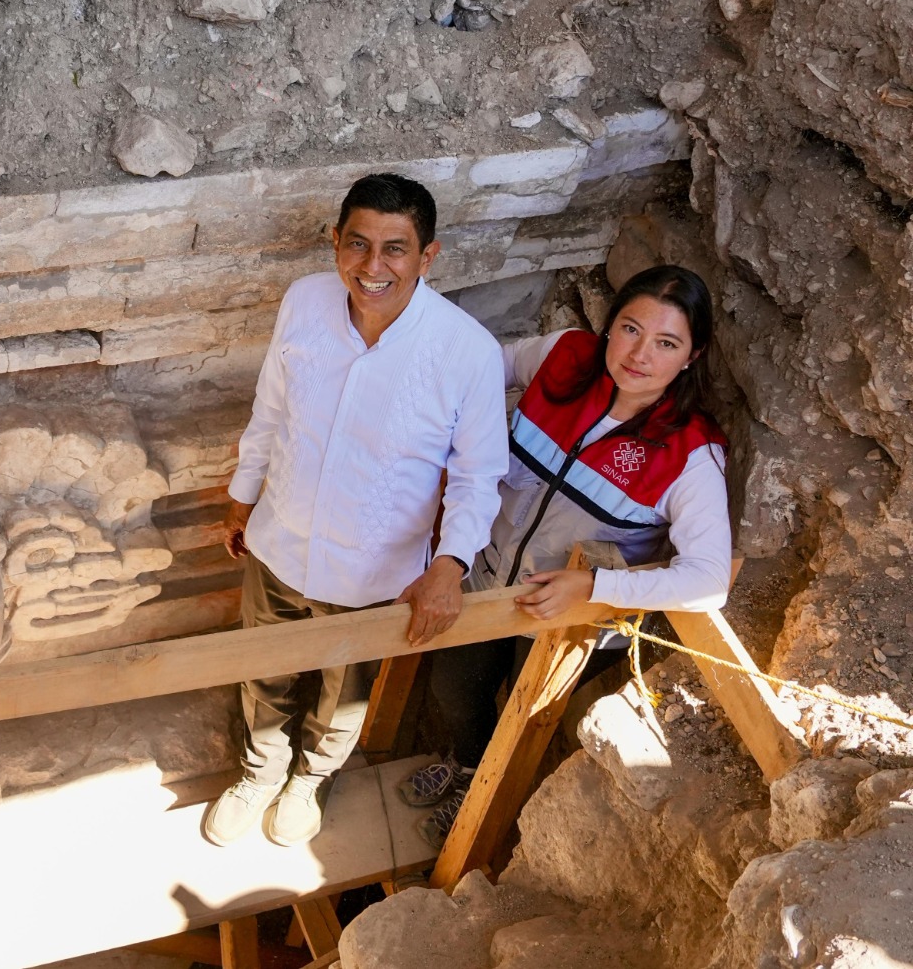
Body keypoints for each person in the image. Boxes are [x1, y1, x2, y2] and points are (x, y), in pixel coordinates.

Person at [203, 173, 508, 848]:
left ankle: (309, 779)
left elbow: (479, 477)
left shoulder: (467, 353)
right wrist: (241, 498)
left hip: (373, 577)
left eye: (396, 249)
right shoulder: (306, 301)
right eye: (359, 245)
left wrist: (450, 566)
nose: (374, 267)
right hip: (278, 543)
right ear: (336, 243)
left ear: (427, 257)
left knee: (344, 696)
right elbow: (272, 408)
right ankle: (259, 772)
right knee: (264, 670)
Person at [402, 264, 732, 848]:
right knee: (454, 690)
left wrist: (596, 588)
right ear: (609, 328)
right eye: (630, 329)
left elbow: (708, 581)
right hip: (482, 581)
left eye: (666, 343)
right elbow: (477, 364)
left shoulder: (689, 454)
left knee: (523, 719)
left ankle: (482, 795)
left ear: (691, 355)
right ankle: (465, 764)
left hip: (569, 622)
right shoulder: (565, 357)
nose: (640, 355)